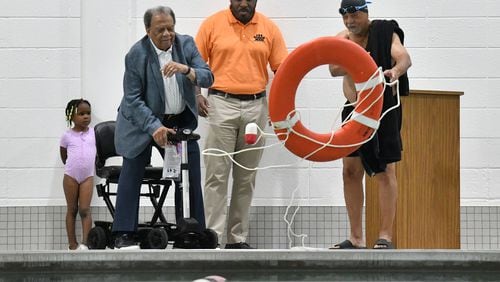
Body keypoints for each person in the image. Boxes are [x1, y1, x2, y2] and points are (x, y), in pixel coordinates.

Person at [112, 6, 214, 249]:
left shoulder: (186, 45)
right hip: (141, 122)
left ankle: (192, 230)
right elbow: (133, 99)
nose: (167, 34)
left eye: (171, 28)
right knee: (133, 169)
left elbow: (208, 76)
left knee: (189, 173)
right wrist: (154, 126)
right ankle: (123, 232)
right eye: (160, 30)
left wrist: (185, 69)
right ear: (148, 31)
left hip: (177, 121)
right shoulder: (136, 54)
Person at [195, 0, 288, 249]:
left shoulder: (268, 28)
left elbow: (283, 70)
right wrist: (196, 94)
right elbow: (194, 64)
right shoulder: (212, 24)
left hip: (256, 107)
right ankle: (213, 237)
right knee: (216, 174)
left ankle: (237, 238)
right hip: (220, 102)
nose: (244, 3)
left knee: (246, 177)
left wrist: (279, 106)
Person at [329, 0, 412, 249]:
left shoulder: (385, 32)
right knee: (350, 171)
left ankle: (385, 236)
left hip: (383, 108)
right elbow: (333, 69)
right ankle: (356, 238)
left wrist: (395, 72)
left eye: (354, 16)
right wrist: (361, 61)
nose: (350, 22)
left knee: (385, 171)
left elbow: (404, 58)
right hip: (354, 108)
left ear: (366, 13)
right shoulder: (342, 38)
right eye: (345, 17)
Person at [59, 98, 95, 251]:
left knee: (85, 210)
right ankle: (72, 245)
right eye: (81, 114)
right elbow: (63, 155)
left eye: (88, 113)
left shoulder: (94, 133)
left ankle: (85, 244)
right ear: (71, 117)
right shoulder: (67, 136)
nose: (86, 116)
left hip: (87, 176)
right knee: (72, 209)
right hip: (71, 176)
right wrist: (72, 167)